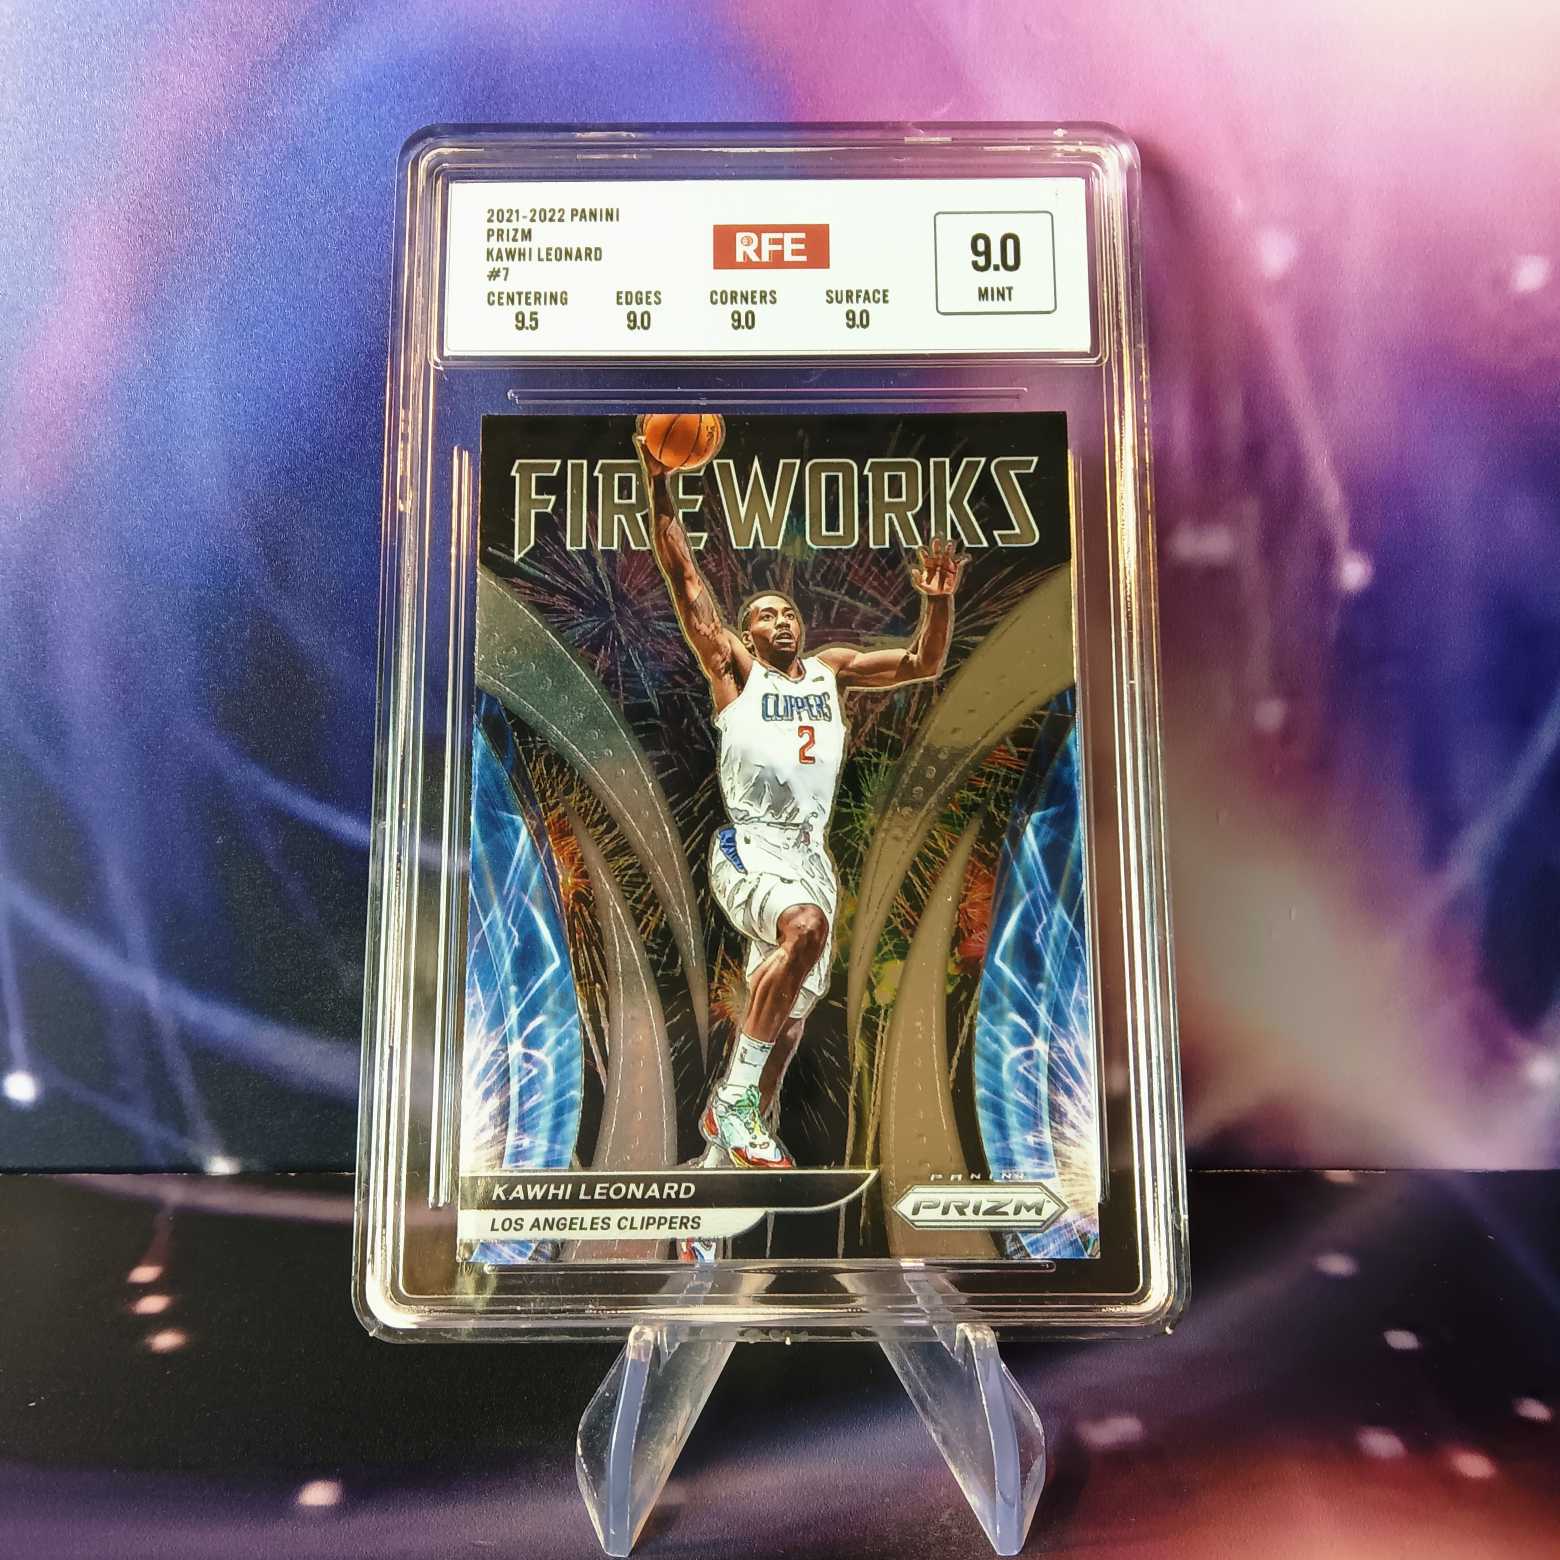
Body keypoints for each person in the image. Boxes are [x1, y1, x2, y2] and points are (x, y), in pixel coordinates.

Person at [638, 425, 966, 1169]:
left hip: (809, 857)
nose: (781, 620)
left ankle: (722, 1156)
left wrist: (938, 601)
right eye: (765, 614)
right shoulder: (735, 672)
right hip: (750, 846)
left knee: (783, 1030)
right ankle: (730, 1105)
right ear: (745, 632)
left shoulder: (830, 670)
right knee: (807, 927)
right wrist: (656, 479)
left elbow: (923, 661)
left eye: (788, 612)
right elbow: (685, 579)